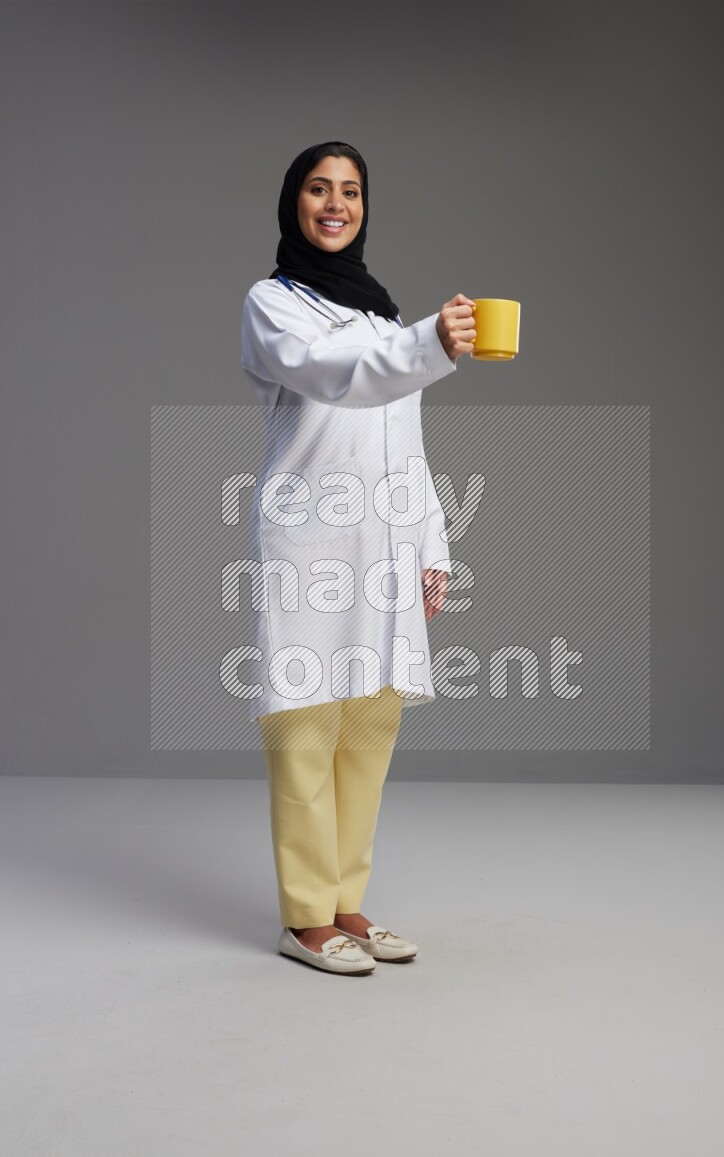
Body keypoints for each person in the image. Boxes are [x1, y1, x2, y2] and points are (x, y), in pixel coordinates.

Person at [240, 141, 476, 975]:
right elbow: (336, 376)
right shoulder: (275, 305)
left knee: (369, 730)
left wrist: (431, 543)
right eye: (318, 188)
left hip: (384, 549)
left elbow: (407, 441)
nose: (335, 203)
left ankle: (347, 901)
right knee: (305, 729)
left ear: (364, 207)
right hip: (309, 545)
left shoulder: (381, 315)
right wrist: (432, 345)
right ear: (293, 202)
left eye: (350, 191)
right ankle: (304, 917)